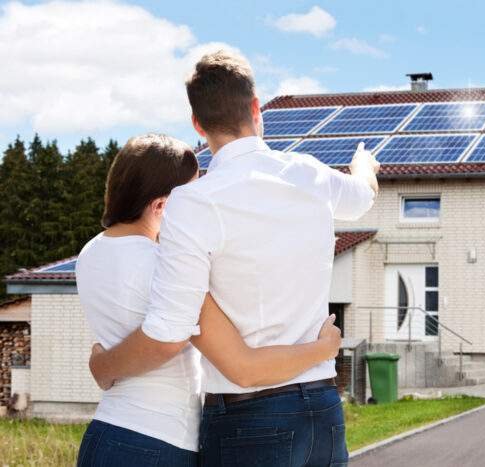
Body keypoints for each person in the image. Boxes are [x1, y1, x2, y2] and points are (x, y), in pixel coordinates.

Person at [89, 50, 380, 466]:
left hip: (250, 417)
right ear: (256, 108)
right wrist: (363, 164)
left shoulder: (194, 203)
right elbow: (363, 196)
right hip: (323, 411)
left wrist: (103, 366)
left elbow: (170, 332)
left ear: (197, 125)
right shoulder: (309, 173)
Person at [76, 134, 343, 466]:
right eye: (191, 196)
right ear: (161, 206)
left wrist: (102, 367)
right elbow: (242, 366)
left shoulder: (90, 254)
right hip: (158, 442)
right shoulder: (165, 266)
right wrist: (323, 349)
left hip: (104, 435)